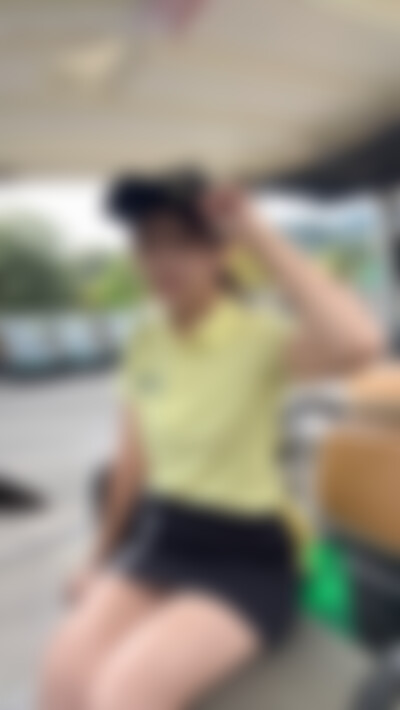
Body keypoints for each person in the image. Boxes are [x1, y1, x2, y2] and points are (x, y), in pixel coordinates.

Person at [40, 172, 383, 710]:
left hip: (245, 553)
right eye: (149, 244)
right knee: (61, 678)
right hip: (163, 536)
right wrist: (98, 555)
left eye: (182, 242)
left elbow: (358, 343)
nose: (163, 260)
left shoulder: (258, 336)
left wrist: (254, 229)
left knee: (122, 695)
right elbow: (132, 460)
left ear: (220, 252)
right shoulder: (144, 337)